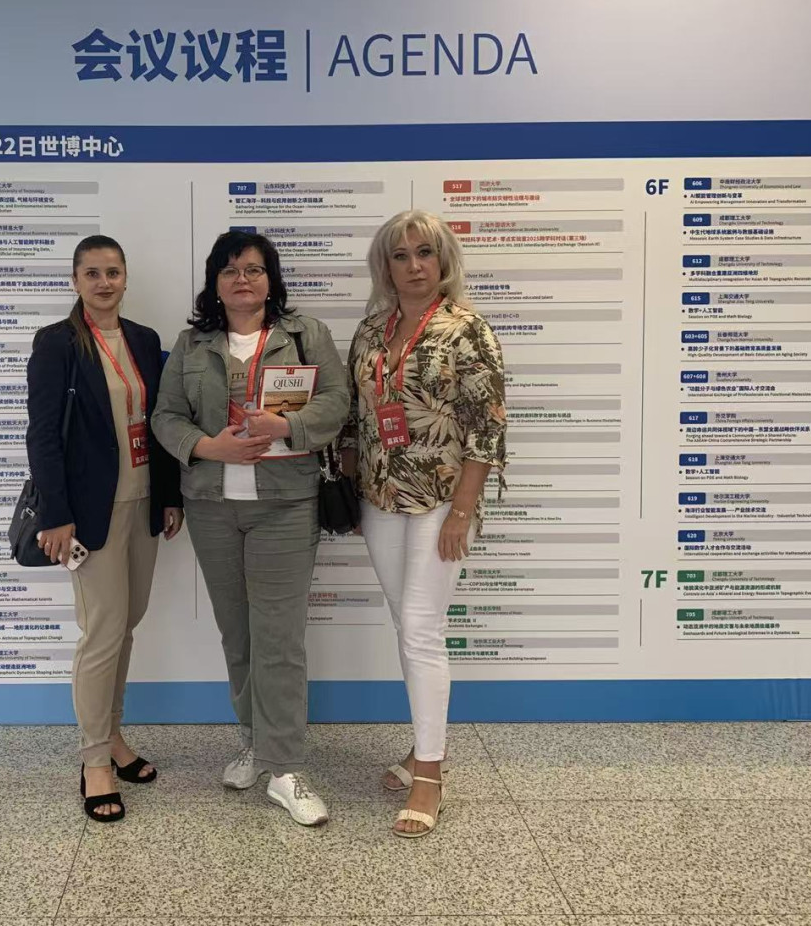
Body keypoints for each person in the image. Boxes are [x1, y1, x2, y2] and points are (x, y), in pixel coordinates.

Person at [152, 231, 349, 826]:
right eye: (231, 270)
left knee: (278, 640)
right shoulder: (192, 344)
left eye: (255, 269)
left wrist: (286, 428)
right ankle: (254, 743)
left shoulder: (305, 334)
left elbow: (337, 401)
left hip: (285, 505)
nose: (243, 279)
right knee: (237, 636)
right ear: (215, 282)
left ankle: (285, 767)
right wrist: (206, 446)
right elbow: (165, 415)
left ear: (271, 280)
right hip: (212, 507)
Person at [340, 210, 507, 838]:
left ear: (443, 260)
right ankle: (421, 747)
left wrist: (462, 511)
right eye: (401, 255)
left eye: (425, 253)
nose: (414, 265)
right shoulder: (371, 330)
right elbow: (357, 418)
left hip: (441, 497)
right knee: (407, 625)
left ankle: (430, 774)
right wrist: (352, 484)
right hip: (382, 497)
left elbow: (487, 429)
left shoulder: (468, 330)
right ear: (385, 266)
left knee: (421, 628)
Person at [25, 234, 184, 823]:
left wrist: (169, 497)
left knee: (126, 624)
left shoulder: (142, 339)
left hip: (143, 503)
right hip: (90, 513)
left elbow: (160, 422)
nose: (103, 282)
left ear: (125, 278)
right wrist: (56, 515)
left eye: (112, 272)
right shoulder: (57, 343)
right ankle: (94, 759)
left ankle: (114, 737)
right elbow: (42, 435)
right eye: (91, 273)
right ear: (75, 281)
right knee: (102, 632)